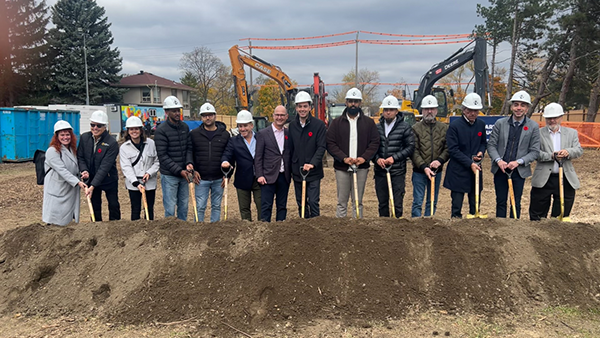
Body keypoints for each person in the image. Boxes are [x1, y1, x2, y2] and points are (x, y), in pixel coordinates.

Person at [326, 87, 380, 218]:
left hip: (361, 167)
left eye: (356, 101)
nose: (353, 104)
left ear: (360, 103)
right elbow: (330, 144)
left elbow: (374, 143)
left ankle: (358, 228)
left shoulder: (369, 123)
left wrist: (364, 158)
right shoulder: (336, 123)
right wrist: (343, 158)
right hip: (342, 167)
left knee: (358, 201)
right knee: (342, 201)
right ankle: (341, 228)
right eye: (351, 101)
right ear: (346, 102)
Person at [487, 90, 540, 218]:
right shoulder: (500, 124)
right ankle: (500, 227)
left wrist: (518, 162)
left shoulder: (533, 126)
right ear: (511, 107)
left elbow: (534, 151)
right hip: (501, 169)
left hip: (519, 171)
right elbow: (491, 145)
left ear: (527, 108)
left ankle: (514, 229)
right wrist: (499, 160)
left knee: (515, 202)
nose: (519, 108)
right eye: (516, 104)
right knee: (500, 201)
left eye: (522, 105)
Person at [529, 103, 583, 221]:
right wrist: (551, 156)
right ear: (545, 119)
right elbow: (534, 153)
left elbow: (578, 150)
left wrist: (568, 152)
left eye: (555, 117)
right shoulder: (537, 133)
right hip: (544, 179)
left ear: (561, 117)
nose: (552, 120)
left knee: (561, 215)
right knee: (537, 215)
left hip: (565, 177)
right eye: (549, 118)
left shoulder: (571, 133)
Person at [443, 93, 487, 218]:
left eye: (476, 111)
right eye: (470, 110)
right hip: (458, 170)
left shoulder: (481, 125)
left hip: (476, 170)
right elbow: (453, 150)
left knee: (475, 200)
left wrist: (481, 152)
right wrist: (470, 163)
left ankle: (474, 220)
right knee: (457, 204)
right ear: (463, 109)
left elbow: (483, 143)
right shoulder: (455, 126)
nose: (472, 113)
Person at [373, 95, 414, 217]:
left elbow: (410, 147)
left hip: (397, 171)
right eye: (386, 109)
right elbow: (372, 147)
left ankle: (397, 229)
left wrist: (394, 158)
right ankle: (384, 228)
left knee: (397, 203)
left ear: (397, 111)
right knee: (382, 203)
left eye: (391, 110)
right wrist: (377, 159)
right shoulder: (377, 127)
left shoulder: (405, 127)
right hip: (380, 172)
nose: (388, 112)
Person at [288, 91, 327, 218]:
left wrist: (312, 164)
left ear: (310, 107)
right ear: (296, 108)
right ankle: (304, 229)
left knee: (313, 202)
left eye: (305, 106)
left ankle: (316, 228)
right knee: (301, 203)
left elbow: (321, 147)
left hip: (313, 172)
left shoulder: (318, 125)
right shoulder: (292, 126)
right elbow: (290, 148)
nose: (302, 109)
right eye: (299, 106)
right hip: (298, 171)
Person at [189, 103, 231, 222]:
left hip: (219, 178)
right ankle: (198, 230)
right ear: (201, 117)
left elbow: (229, 155)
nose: (208, 118)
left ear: (215, 116)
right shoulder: (194, 134)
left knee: (216, 206)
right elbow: (190, 153)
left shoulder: (224, 134)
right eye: (205, 115)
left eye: (210, 115)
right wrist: (194, 170)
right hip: (201, 178)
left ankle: (214, 232)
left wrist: (227, 175)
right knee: (200, 206)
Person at [154, 96, 194, 220]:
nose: (177, 113)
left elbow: (188, 148)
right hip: (170, 175)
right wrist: (179, 171)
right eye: (174, 111)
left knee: (183, 206)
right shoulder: (161, 131)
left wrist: (188, 163)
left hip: (184, 174)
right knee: (170, 207)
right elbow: (163, 156)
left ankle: (182, 234)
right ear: (167, 112)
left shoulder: (184, 127)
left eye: (178, 110)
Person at [78, 110, 121, 221]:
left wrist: (92, 186)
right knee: (95, 206)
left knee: (113, 205)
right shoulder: (84, 137)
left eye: (99, 125)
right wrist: (84, 170)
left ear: (105, 127)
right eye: (93, 125)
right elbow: (80, 157)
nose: (95, 128)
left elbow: (104, 167)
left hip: (108, 179)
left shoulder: (112, 143)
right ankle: (96, 228)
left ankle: (115, 227)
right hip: (91, 178)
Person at [42, 121, 87, 226]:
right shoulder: (52, 151)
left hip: (70, 190)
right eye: (62, 135)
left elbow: (74, 166)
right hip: (57, 190)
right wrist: (78, 182)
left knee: (68, 220)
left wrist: (82, 173)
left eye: (68, 135)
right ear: (57, 136)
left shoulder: (72, 149)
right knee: (55, 220)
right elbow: (62, 170)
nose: (65, 137)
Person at [411, 95, 449, 217]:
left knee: (432, 200)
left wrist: (440, 160)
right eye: (426, 109)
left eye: (432, 108)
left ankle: (430, 222)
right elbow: (414, 150)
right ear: (422, 111)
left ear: (436, 110)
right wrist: (423, 166)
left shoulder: (444, 128)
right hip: (419, 171)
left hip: (436, 171)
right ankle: (416, 224)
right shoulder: (415, 129)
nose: (429, 111)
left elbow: (448, 148)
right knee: (418, 201)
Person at [222, 110, 261, 221]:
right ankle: (246, 231)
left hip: (259, 179)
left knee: (262, 207)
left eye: (245, 126)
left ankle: (262, 230)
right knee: (244, 209)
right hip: (242, 179)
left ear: (251, 125)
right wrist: (225, 161)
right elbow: (227, 154)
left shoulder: (260, 138)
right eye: (240, 126)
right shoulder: (234, 141)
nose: (243, 129)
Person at [255, 105, 291, 222]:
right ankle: (265, 232)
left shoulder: (289, 133)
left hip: (284, 175)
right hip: (267, 176)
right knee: (266, 206)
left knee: (282, 207)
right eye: (277, 115)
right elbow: (258, 156)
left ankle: (280, 233)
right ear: (273, 116)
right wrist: (259, 174)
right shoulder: (263, 133)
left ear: (286, 117)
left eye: (282, 115)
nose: (279, 117)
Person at [119, 116, 160, 220]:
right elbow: (126, 167)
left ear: (141, 130)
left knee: (149, 209)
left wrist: (149, 173)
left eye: (136, 129)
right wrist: (136, 183)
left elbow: (157, 161)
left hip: (149, 181)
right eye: (131, 129)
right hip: (134, 184)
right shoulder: (124, 148)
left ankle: (149, 230)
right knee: (135, 209)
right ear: (128, 131)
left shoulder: (151, 143)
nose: (134, 131)